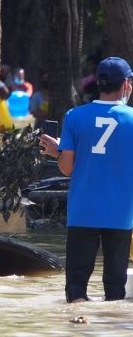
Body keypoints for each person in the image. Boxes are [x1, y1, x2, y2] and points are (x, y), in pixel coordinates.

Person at [39, 57, 133, 303]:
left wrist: (58, 151)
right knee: (115, 289)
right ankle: (107, 334)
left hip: (83, 211)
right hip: (121, 214)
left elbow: (67, 168)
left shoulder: (75, 116)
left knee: (76, 288)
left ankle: (78, 332)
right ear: (126, 84)